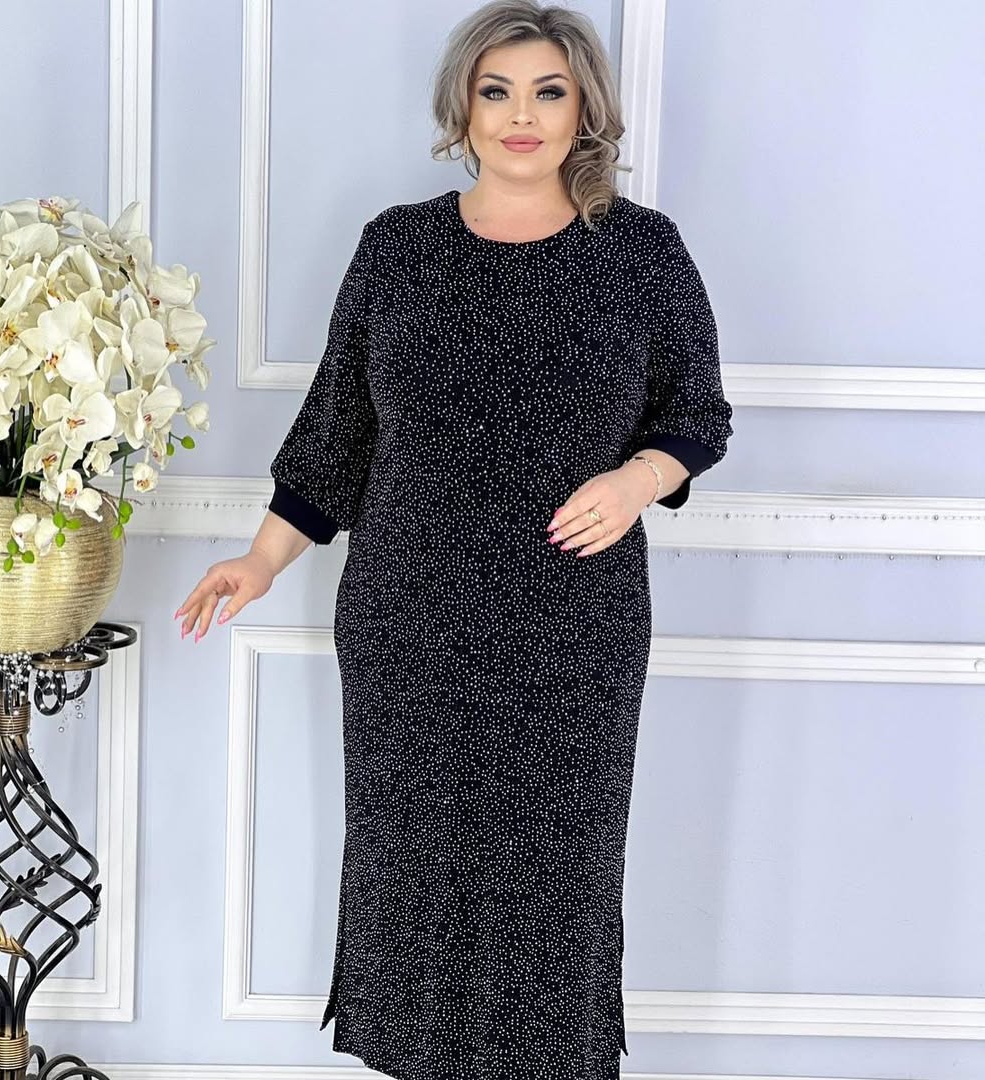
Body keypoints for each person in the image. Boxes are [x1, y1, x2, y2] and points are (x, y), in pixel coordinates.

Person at [176, 1, 733, 1075]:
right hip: (409, 624)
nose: (522, 115)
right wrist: (260, 559)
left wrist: (636, 480)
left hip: (573, 627)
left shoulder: (641, 252)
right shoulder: (397, 249)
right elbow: (336, 439)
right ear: (462, 110)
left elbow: (697, 414)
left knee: (555, 879)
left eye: (549, 92)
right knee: (413, 873)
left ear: (584, 111)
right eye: (496, 91)